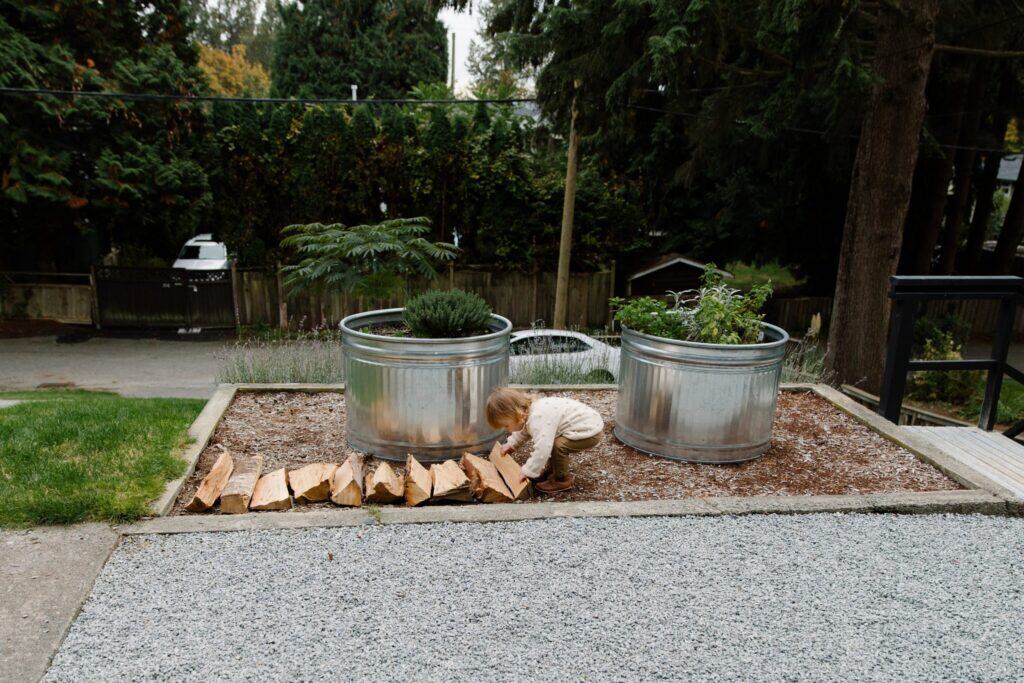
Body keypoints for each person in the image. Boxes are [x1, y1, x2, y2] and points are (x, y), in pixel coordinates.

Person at [485, 387, 604, 493]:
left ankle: (561, 480)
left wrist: (528, 471)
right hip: (583, 424)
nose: (506, 430)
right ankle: (553, 471)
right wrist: (511, 444)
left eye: (506, 426)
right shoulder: (528, 413)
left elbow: (542, 450)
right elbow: (523, 431)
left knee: (558, 446)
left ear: (516, 413)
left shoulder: (537, 419)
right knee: (553, 441)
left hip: (589, 430)